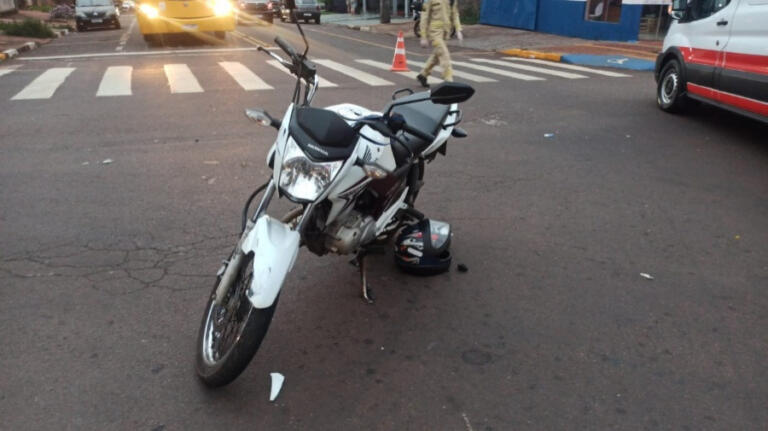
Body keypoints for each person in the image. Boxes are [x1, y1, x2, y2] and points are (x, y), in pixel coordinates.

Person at [416, 0, 463, 87]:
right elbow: (424, 16)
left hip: (446, 32)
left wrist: (458, 29)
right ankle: (448, 80)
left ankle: (423, 74)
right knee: (444, 54)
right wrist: (423, 36)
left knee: (436, 56)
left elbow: (455, 13)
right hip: (434, 32)